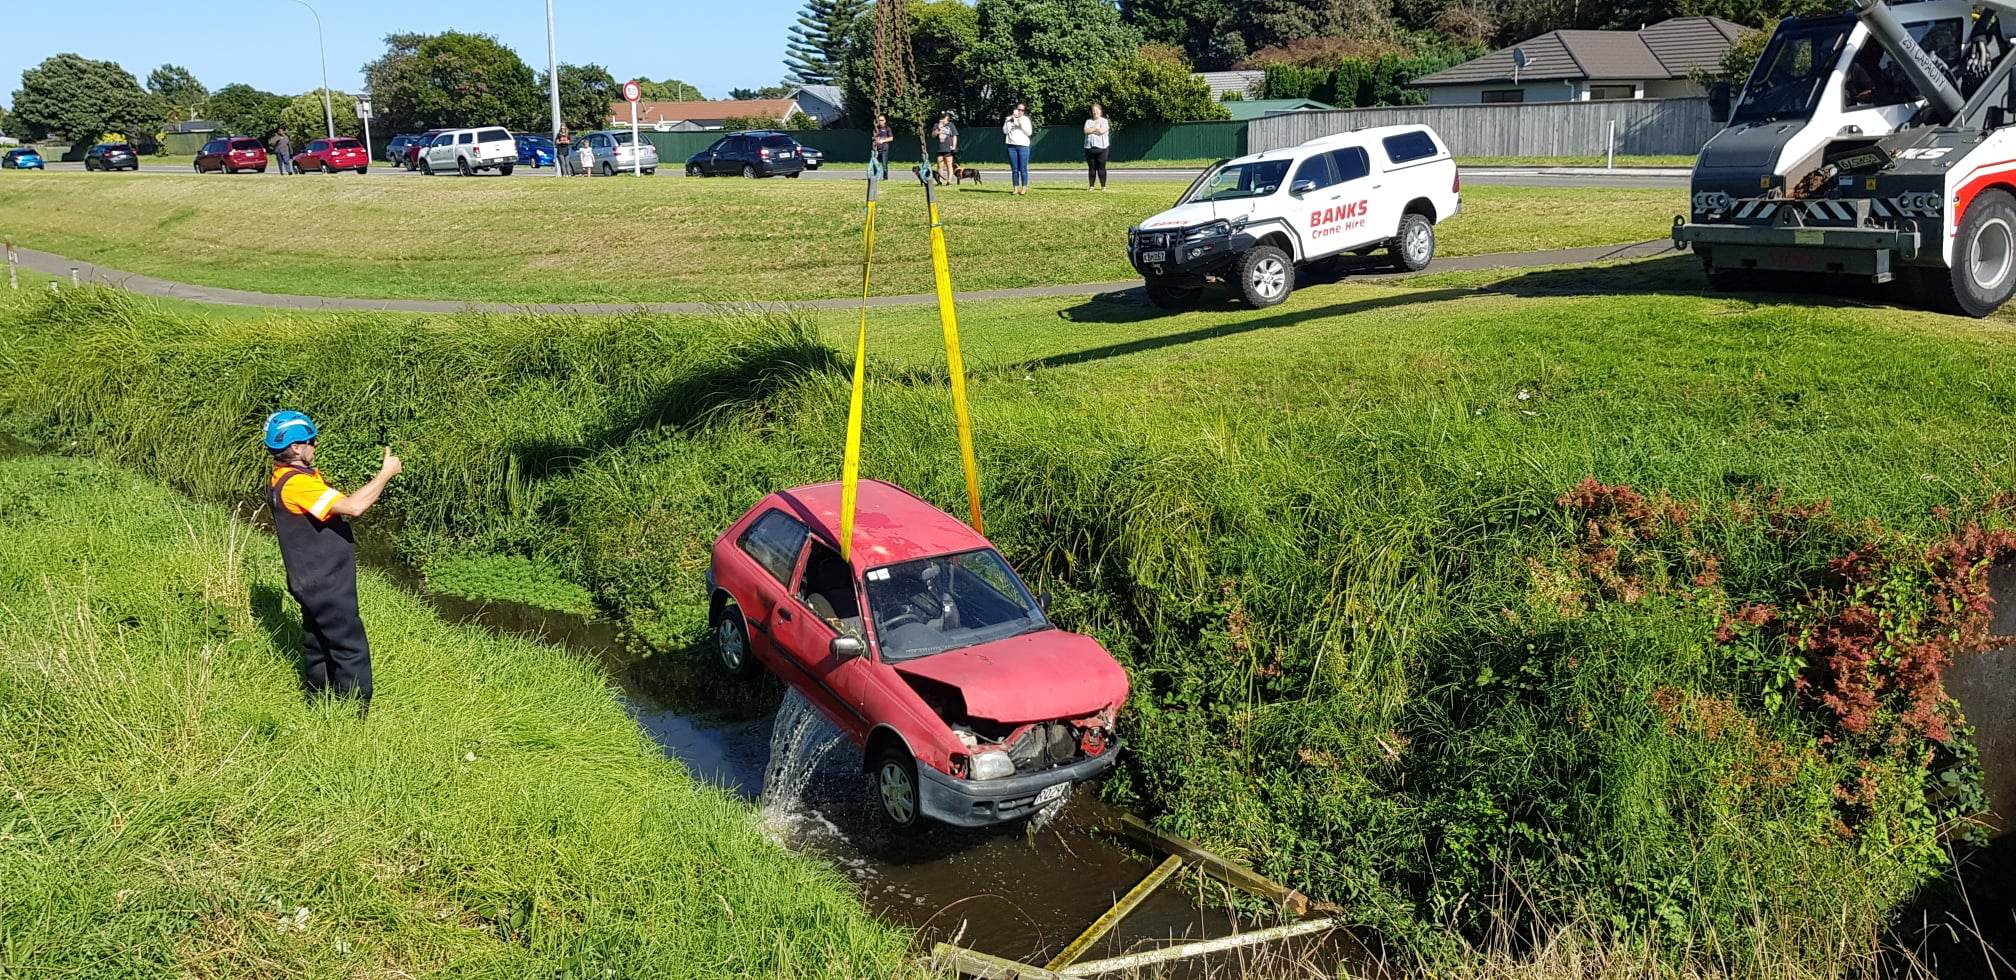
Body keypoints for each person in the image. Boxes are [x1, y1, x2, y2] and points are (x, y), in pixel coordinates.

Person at [263, 411, 402, 714]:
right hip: (326, 582)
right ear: (297, 448)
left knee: (318, 643)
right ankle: (354, 716)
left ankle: (320, 702)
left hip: (308, 579)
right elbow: (353, 507)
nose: (315, 445)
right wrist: (386, 473)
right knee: (349, 647)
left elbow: (346, 503)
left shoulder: (285, 478)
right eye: (311, 441)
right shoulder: (298, 486)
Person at [1002, 103, 1033, 196]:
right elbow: (1005, 131)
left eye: (1022, 110)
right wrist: (1011, 121)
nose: (1020, 111)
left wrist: (1019, 123)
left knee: (1023, 169)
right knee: (1014, 169)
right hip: (1011, 146)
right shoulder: (1008, 119)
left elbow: (1029, 132)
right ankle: (1015, 188)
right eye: (1018, 109)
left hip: (1023, 146)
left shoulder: (1025, 119)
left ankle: (1024, 188)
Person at [1083, 104, 1110, 191]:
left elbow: (1102, 131)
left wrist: (1092, 130)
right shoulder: (1088, 121)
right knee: (1092, 168)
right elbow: (1086, 131)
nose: (1095, 112)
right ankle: (1091, 186)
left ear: (1100, 111)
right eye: (1094, 110)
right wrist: (1095, 128)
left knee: (1101, 167)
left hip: (1102, 148)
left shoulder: (1104, 121)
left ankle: (1103, 186)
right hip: (1089, 148)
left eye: (1097, 110)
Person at [933, 112, 959, 186]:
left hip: (948, 148)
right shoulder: (936, 125)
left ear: (947, 117)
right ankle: (939, 181)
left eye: (944, 117)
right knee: (939, 165)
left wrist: (954, 146)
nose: (943, 118)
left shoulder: (950, 125)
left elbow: (954, 136)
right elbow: (933, 135)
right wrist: (939, 127)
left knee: (949, 164)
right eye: (942, 117)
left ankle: (949, 181)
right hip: (940, 148)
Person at [871, 114, 894, 179]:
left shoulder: (887, 128)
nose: (880, 121)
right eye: (879, 120)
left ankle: (885, 177)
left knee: (884, 164)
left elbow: (891, 138)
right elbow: (872, 137)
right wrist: (875, 139)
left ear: (885, 121)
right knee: (875, 163)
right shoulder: (876, 128)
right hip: (876, 149)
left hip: (884, 148)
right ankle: (875, 177)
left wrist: (883, 141)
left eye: (882, 120)